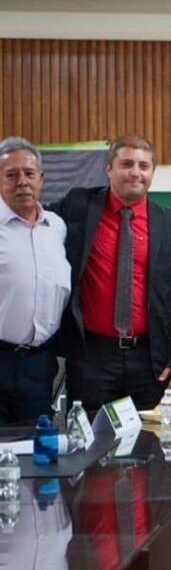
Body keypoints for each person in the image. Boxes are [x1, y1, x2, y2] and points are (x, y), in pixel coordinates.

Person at [49, 134, 171, 411]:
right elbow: (32, 218)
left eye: (143, 166)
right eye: (126, 164)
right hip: (91, 357)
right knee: (89, 446)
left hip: (151, 359)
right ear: (108, 168)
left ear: (153, 171)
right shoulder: (78, 206)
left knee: (149, 447)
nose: (135, 173)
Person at [0, 138, 71, 425]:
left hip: (39, 363)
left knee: (36, 451)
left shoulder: (57, 227)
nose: (22, 182)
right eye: (11, 174)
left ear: (41, 178)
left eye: (29, 174)